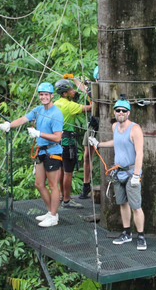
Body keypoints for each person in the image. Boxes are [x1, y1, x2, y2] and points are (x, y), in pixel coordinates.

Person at [0, 82, 63, 228]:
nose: (44, 97)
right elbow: (24, 119)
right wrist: (9, 124)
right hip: (41, 151)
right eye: (41, 94)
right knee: (39, 184)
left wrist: (39, 133)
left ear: (52, 95)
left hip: (53, 151)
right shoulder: (39, 110)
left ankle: (53, 215)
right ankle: (50, 212)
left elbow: (58, 137)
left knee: (53, 185)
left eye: (46, 94)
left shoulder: (56, 113)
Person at [88, 99, 147, 251]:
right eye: (118, 110)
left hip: (131, 171)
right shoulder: (115, 126)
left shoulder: (135, 129)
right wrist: (98, 144)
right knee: (122, 203)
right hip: (118, 171)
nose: (121, 113)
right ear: (114, 112)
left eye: (124, 111)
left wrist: (136, 175)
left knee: (136, 205)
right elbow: (116, 142)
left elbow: (139, 153)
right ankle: (126, 232)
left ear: (128, 113)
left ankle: (140, 236)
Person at [54, 78, 91, 208]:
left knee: (60, 169)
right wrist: (90, 93)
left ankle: (61, 196)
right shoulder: (70, 106)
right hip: (67, 140)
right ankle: (67, 201)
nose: (73, 91)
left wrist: (74, 80)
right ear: (64, 93)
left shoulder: (56, 103)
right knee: (68, 172)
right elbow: (91, 108)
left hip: (56, 140)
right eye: (70, 89)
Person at [79, 66, 99, 200]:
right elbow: (83, 87)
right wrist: (74, 78)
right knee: (87, 155)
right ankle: (86, 185)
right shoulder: (92, 89)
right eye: (97, 78)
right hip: (93, 125)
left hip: (107, 126)